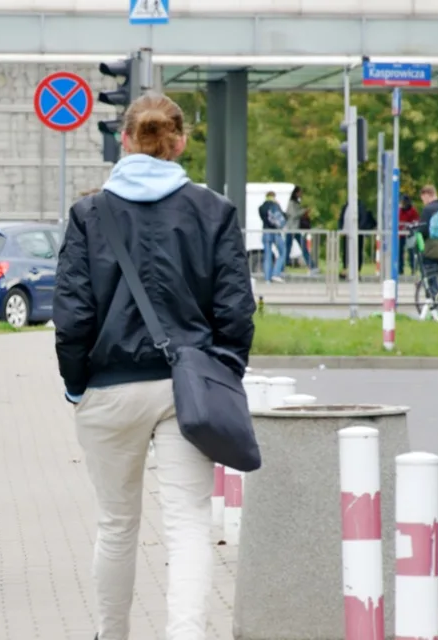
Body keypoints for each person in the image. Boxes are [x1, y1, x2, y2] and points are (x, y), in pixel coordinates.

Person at [53, 92, 255, 640]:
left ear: (123, 140)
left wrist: (77, 388)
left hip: (107, 390)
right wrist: (220, 375)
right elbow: (236, 312)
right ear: (180, 142)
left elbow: (71, 318)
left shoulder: (87, 214)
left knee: (116, 525)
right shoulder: (213, 211)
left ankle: (111, 634)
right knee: (189, 526)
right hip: (185, 389)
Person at [284, 185, 314, 271]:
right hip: (291, 229)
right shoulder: (291, 203)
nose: (301, 194)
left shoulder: (296, 203)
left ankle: (311, 265)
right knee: (287, 249)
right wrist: (304, 210)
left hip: (295, 229)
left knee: (301, 247)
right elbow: (294, 214)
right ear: (296, 193)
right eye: (300, 192)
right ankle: (282, 268)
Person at [258, 191, 286, 283]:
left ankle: (267, 279)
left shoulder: (262, 207)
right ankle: (275, 273)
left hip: (266, 231)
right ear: (273, 196)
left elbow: (263, 218)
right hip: (275, 232)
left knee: (267, 256)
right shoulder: (275, 206)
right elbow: (282, 217)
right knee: (283, 252)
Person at [398, 195, 420, 275]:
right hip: (401, 234)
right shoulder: (399, 210)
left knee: (411, 252)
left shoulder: (413, 211)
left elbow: (416, 221)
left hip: (410, 234)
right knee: (399, 252)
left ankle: (413, 269)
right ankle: (400, 270)